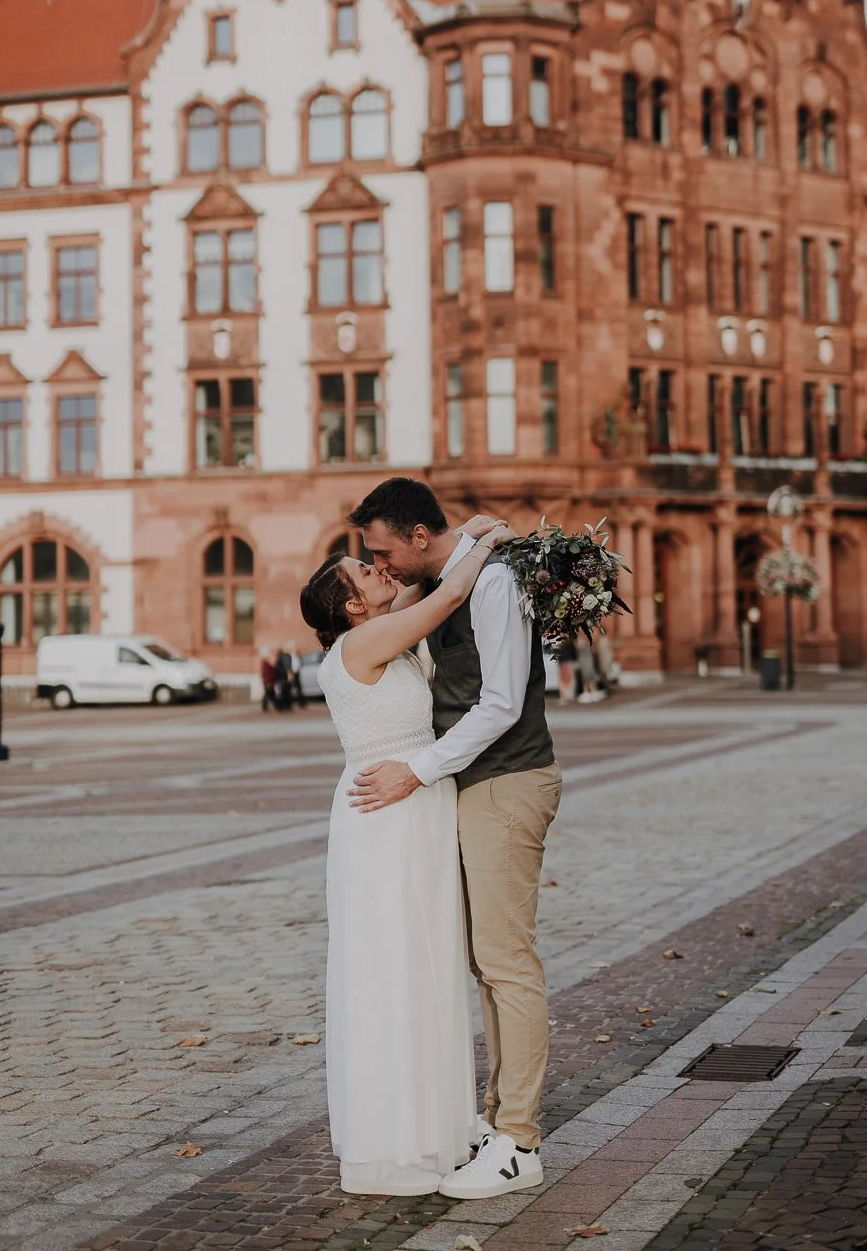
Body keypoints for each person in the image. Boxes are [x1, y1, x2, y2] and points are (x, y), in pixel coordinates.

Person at [348, 478, 562, 1200]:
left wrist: (417, 769)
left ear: (416, 535)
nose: (380, 565)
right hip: (471, 788)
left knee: (506, 961)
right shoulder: (452, 576)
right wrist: (469, 541)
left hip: (507, 780)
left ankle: (518, 1141)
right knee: (484, 962)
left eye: (383, 550)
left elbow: (500, 702)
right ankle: (498, 1122)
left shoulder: (493, 583)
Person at [300, 515, 515, 1196]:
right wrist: (485, 543)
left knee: (423, 959)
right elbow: (447, 598)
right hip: (386, 809)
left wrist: (462, 536)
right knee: (394, 963)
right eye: (364, 572)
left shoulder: (379, 639)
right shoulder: (364, 641)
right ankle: (398, 1136)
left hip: (414, 801)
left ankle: (433, 1125)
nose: (379, 568)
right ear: (352, 607)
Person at [258, 648, 277, 713]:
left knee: (270, 695)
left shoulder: (265, 663)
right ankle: (269, 707)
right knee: (268, 694)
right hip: (268, 682)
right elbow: (267, 674)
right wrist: (268, 682)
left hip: (268, 681)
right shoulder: (265, 664)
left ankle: (273, 706)